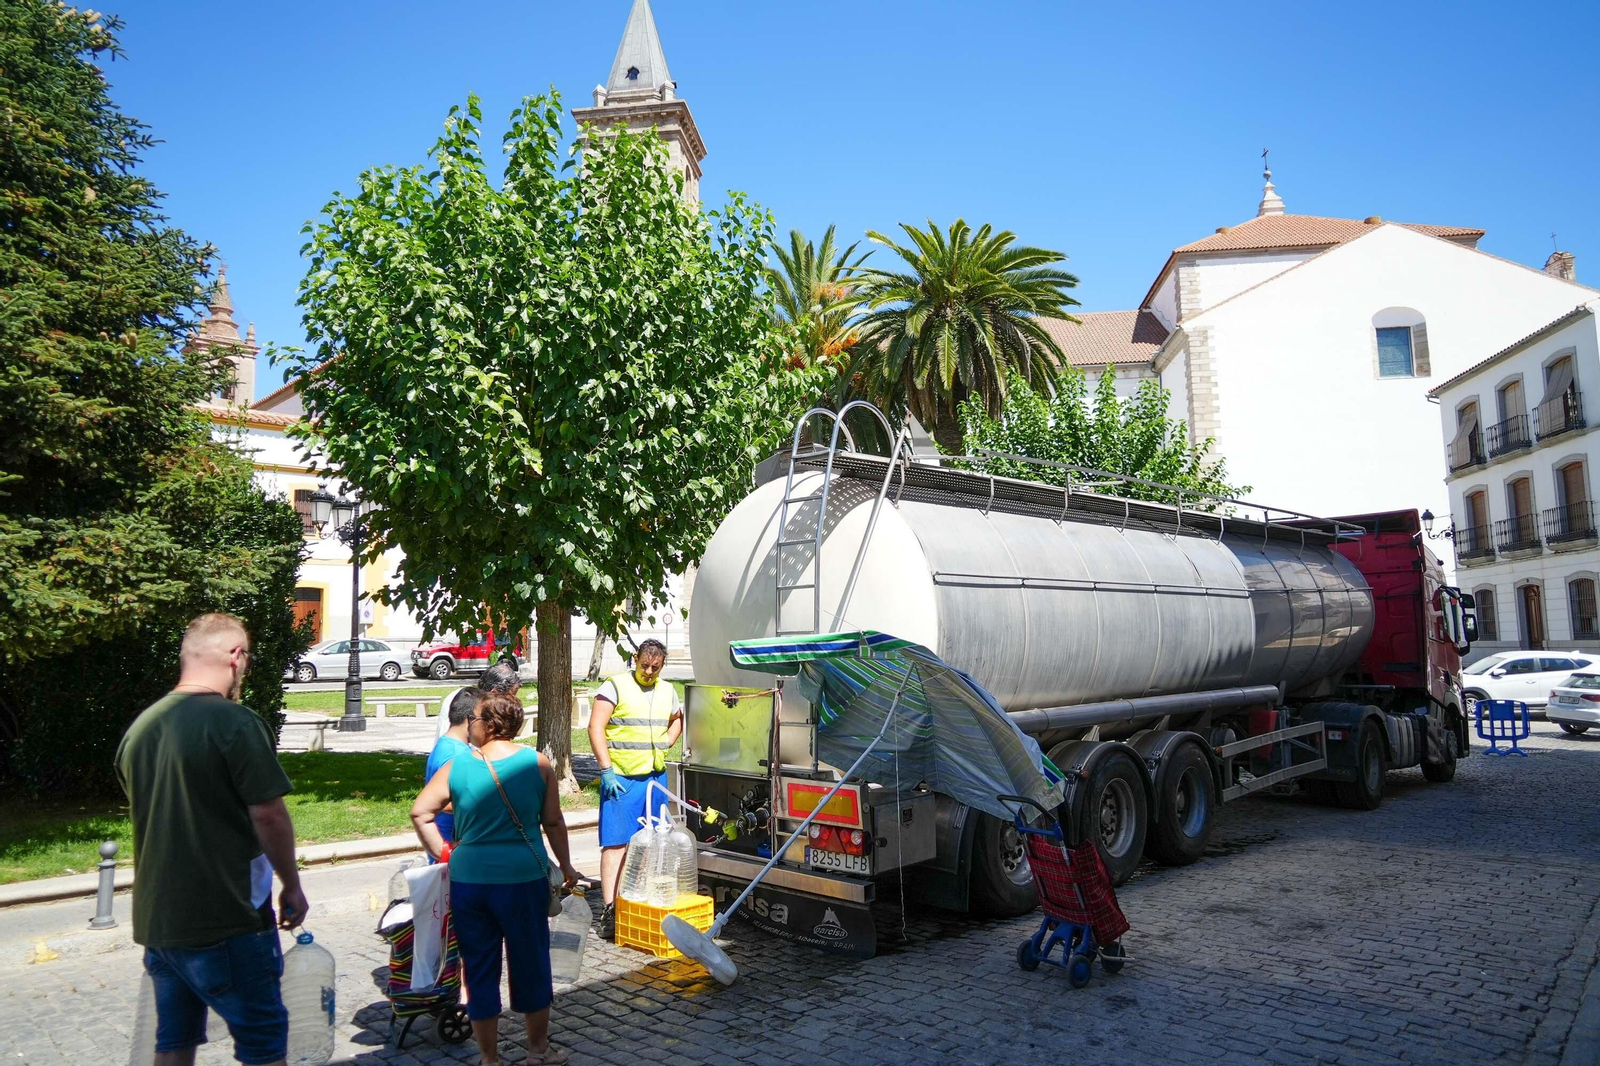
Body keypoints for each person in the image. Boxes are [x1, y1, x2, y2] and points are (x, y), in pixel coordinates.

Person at [115, 613, 307, 1066]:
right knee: (263, 1045)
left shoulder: (141, 727)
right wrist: (291, 884)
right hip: (226, 918)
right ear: (236, 657)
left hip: (160, 921)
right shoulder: (234, 722)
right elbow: (269, 814)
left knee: (174, 1042)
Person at [411, 692, 581, 1066]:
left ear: (489, 725)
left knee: (479, 968)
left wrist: (445, 853)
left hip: (470, 882)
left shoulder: (457, 768)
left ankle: (489, 1059)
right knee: (531, 963)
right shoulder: (537, 764)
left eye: (473, 719)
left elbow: (420, 811)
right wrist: (566, 866)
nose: (469, 725)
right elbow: (552, 821)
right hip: (523, 880)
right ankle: (538, 1051)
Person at [589, 638, 682, 939]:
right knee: (616, 844)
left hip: (654, 779)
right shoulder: (614, 686)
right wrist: (606, 770)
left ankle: (639, 901)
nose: (650, 672)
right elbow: (595, 727)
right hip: (622, 780)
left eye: (656, 668)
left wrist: (668, 740)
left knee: (653, 843)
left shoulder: (668, 691)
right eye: (645, 665)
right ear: (635, 659)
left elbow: (677, 719)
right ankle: (611, 909)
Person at [424, 688, 478, 853]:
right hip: (451, 842)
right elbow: (446, 803)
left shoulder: (445, 743)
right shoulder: (457, 754)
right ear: (471, 720)